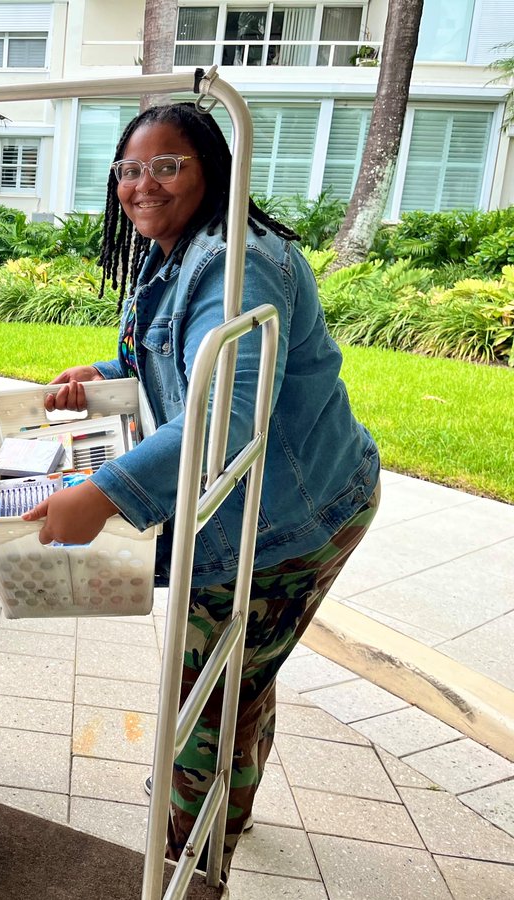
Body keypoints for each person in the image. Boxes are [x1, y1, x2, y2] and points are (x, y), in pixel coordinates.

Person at [24, 103, 381, 876]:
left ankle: (192, 856)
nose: (141, 184)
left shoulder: (239, 267)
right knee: (240, 672)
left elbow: (222, 421)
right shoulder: (180, 250)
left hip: (292, 517)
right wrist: (104, 375)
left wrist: (106, 493)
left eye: (167, 165)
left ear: (212, 169)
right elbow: (183, 365)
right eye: (128, 169)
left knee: (206, 711)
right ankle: (229, 800)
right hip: (257, 510)